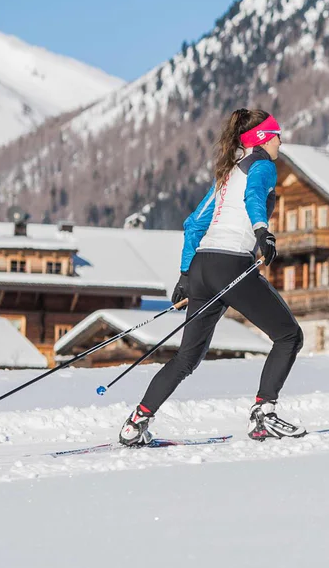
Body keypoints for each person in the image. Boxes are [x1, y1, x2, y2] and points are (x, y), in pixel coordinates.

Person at [117, 108, 306, 445]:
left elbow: (193, 224)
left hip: (204, 267)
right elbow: (253, 200)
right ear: (263, 138)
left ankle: (136, 423)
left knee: (186, 357)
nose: (281, 141)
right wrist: (263, 233)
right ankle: (263, 416)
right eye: (277, 134)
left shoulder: (228, 174)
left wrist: (186, 275)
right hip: (230, 264)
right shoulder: (263, 166)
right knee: (289, 336)